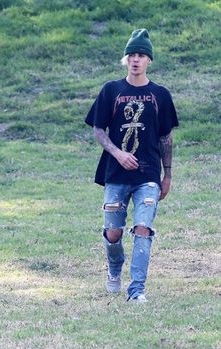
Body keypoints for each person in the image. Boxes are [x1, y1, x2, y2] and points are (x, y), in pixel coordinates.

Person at [85, 28, 178, 303]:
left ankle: (137, 290)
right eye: (132, 55)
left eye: (141, 55)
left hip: (148, 174)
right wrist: (118, 153)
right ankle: (114, 269)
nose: (136, 60)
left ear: (149, 60)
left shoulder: (160, 94)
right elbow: (98, 130)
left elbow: (166, 137)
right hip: (115, 174)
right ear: (126, 59)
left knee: (142, 228)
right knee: (113, 233)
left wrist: (168, 175)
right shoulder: (111, 90)